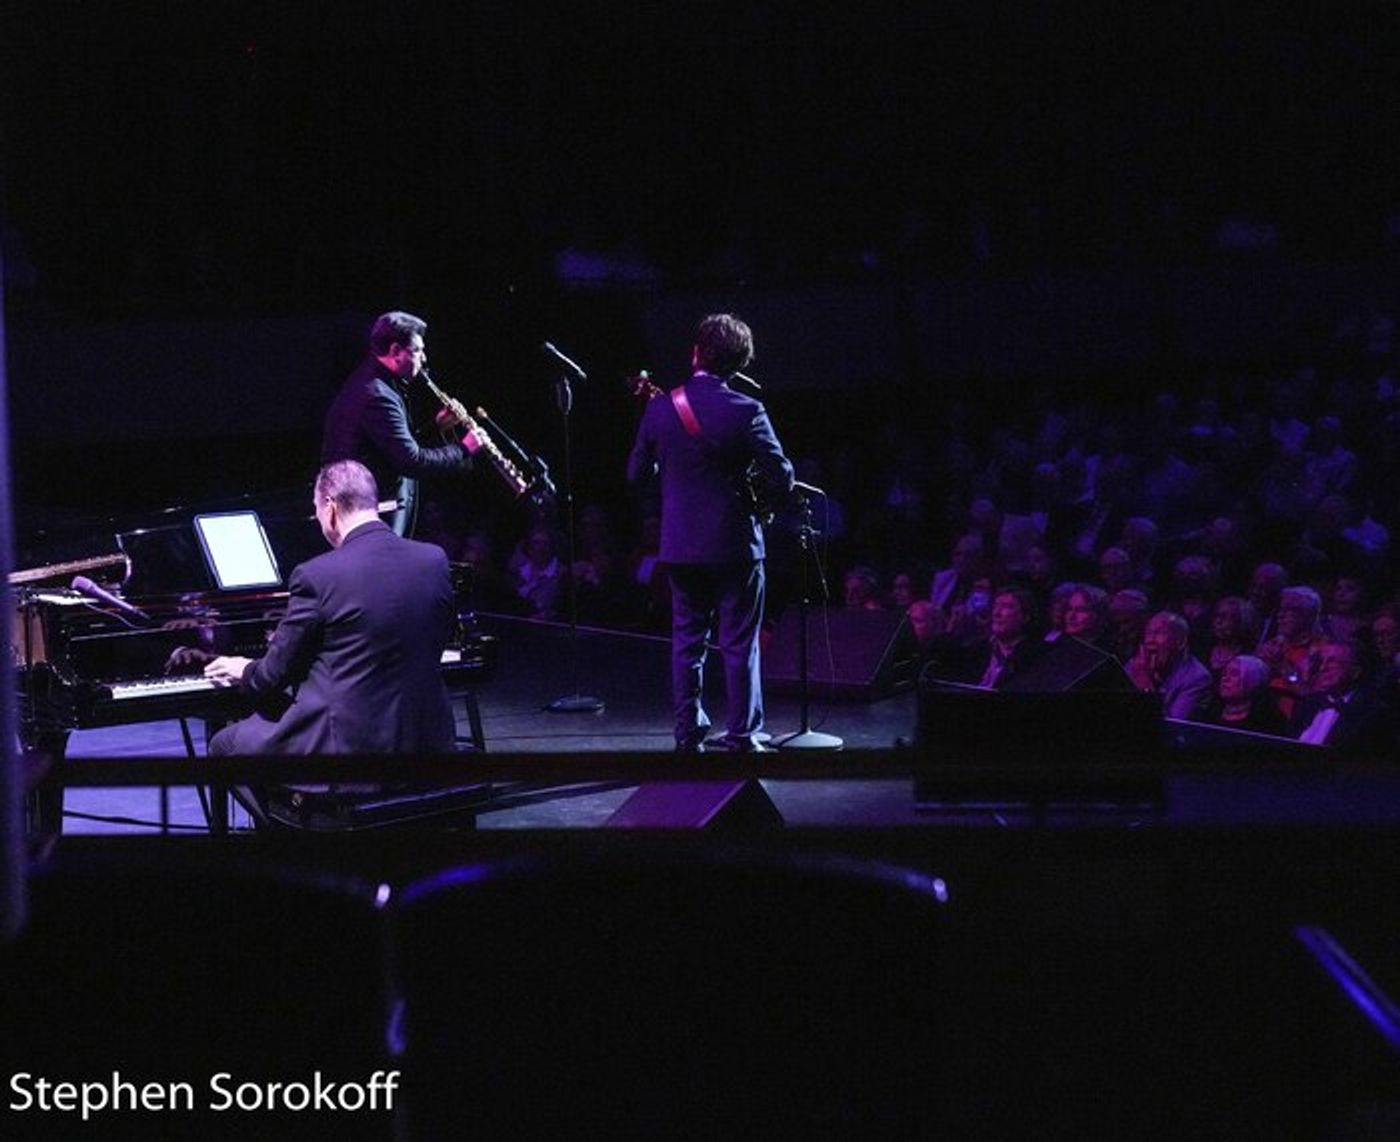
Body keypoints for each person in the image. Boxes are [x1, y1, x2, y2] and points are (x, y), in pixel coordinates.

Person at [197, 460, 458, 756]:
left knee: (223, 744)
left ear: (330, 507)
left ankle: (292, 803)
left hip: (348, 751)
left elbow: (272, 675)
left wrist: (243, 668)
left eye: (317, 510)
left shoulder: (317, 575)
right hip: (428, 742)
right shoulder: (434, 560)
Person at [626, 313, 794, 752]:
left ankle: (687, 732)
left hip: (680, 545)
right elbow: (783, 477)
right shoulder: (747, 410)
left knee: (687, 642)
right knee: (739, 643)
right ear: (739, 364)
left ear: (696, 352)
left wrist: (670, 465)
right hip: (736, 544)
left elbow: (635, 474)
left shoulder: (660, 408)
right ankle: (742, 734)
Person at [322, 310, 482, 536]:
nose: (424, 358)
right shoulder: (377, 394)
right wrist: (464, 449)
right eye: (417, 351)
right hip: (370, 518)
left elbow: (390, 450)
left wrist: (437, 428)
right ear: (396, 351)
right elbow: (411, 461)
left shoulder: (377, 383)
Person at [1125, 610, 1213, 720]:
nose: (1150, 640)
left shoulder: (1197, 678)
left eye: (1158, 633)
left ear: (1180, 642)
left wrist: (1145, 685)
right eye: (1148, 633)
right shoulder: (1134, 666)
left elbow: (1171, 727)